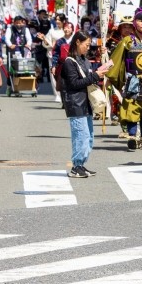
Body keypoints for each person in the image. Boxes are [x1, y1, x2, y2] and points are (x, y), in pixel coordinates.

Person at [106, 8, 142, 151]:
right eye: (140, 21)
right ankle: (132, 137)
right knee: (131, 108)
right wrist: (109, 76)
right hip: (132, 79)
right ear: (135, 23)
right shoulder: (127, 41)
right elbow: (116, 60)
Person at [59, 31, 108, 178]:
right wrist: (94, 76)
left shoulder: (84, 60)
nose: (88, 48)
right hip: (75, 103)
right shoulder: (69, 61)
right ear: (77, 43)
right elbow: (74, 83)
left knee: (88, 136)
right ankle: (76, 167)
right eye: (86, 45)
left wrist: (100, 68)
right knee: (81, 135)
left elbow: (88, 77)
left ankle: (81, 165)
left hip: (86, 102)